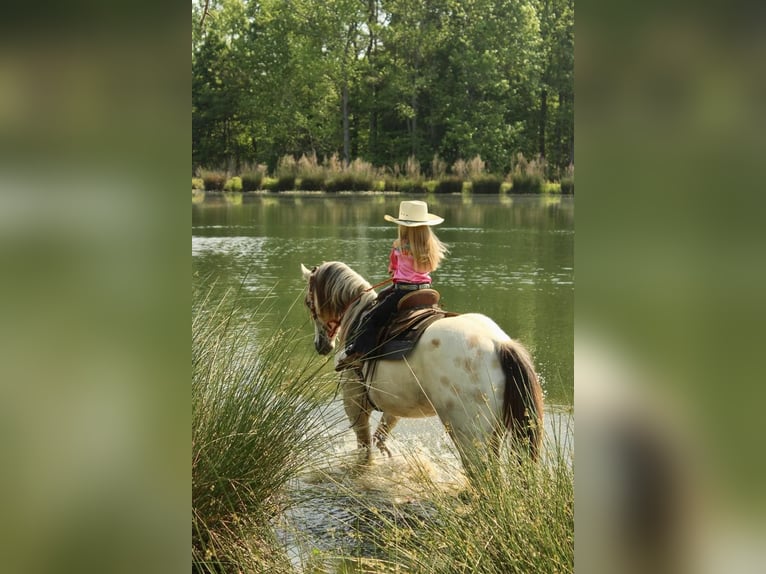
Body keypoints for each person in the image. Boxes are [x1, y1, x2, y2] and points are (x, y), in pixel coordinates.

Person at [336, 200, 448, 371]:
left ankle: (359, 352)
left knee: (370, 317)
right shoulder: (429, 246)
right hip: (427, 290)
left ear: (402, 225)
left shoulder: (399, 246)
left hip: (403, 292)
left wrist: (396, 270)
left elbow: (392, 269)